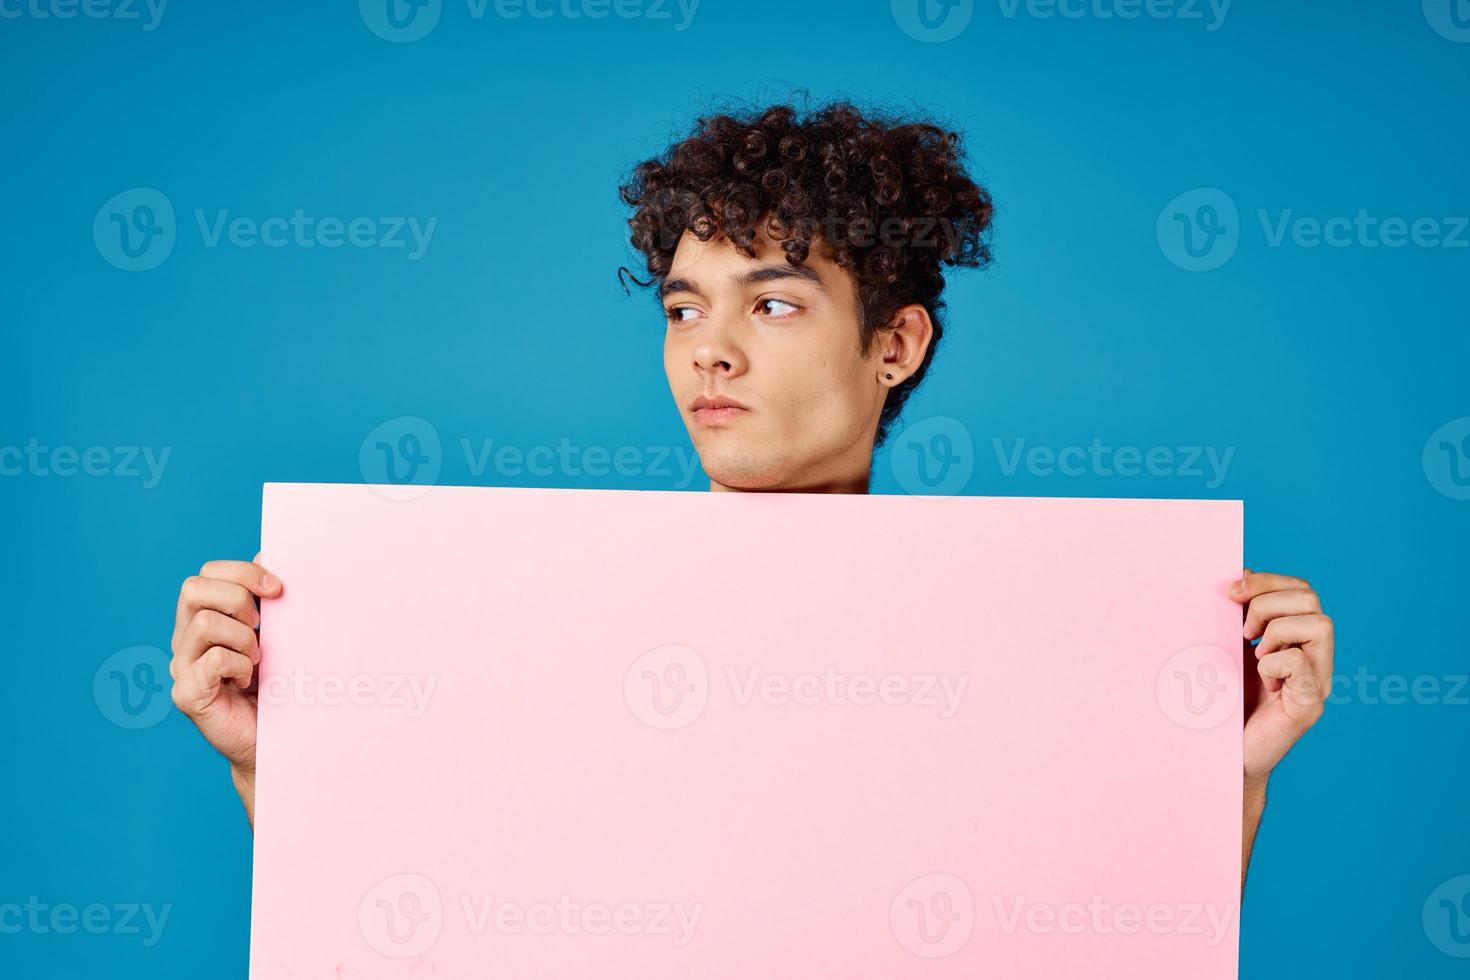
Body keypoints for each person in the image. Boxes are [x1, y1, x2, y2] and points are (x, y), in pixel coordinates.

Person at [168, 101, 1332, 895]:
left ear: (897, 342)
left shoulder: (1034, 642)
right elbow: (429, 923)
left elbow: (1110, 944)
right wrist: (274, 761)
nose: (707, 353)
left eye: (771, 305)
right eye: (682, 308)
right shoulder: (537, 623)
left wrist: (1222, 773)